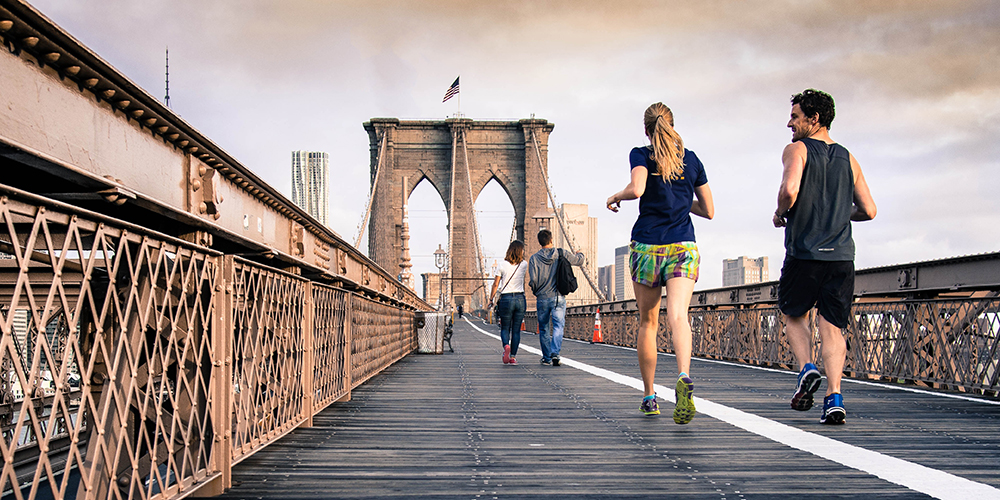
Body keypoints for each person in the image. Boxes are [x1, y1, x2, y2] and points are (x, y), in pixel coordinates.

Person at [606, 102, 714, 424]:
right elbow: (708, 210)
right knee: (678, 316)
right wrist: (682, 201)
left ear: (646, 129)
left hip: (648, 247)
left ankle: (650, 396)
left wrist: (615, 196)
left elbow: (637, 189)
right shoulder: (691, 159)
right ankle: (682, 375)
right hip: (683, 245)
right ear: (671, 124)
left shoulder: (641, 154)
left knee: (648, 323)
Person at [773, 89, 876, 425]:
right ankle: (834, 398)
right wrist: (838, 215)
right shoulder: (849, 158)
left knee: (794, 315)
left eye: (795, 116)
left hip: (804, 252)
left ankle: (806, 369)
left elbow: (790, 190)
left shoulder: (797, 149)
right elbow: (869, 210)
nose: (789, 123)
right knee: (832, 328)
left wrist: (780, 213)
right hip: (842, 257)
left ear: (813, 119)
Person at [527, 229, 584, 366]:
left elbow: (533, 280)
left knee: (544, 328)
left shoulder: (534, 259)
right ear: (551, 240)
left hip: (542, 298)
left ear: (539, 242)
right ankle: (555, 353)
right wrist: (580, 253)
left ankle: (546, 357)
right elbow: (579, 261)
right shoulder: (561, 253)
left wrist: (537, 291)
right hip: (558, 297)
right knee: (558, 325)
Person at [488, 241, 528, 365]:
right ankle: (513, 357)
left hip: (506, 299)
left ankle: (506, 346)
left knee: (505, 327)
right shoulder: (524, 264)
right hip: (520, 298)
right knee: (516, 330)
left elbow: (495, 284)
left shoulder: (502, 265)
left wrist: (491, 299)